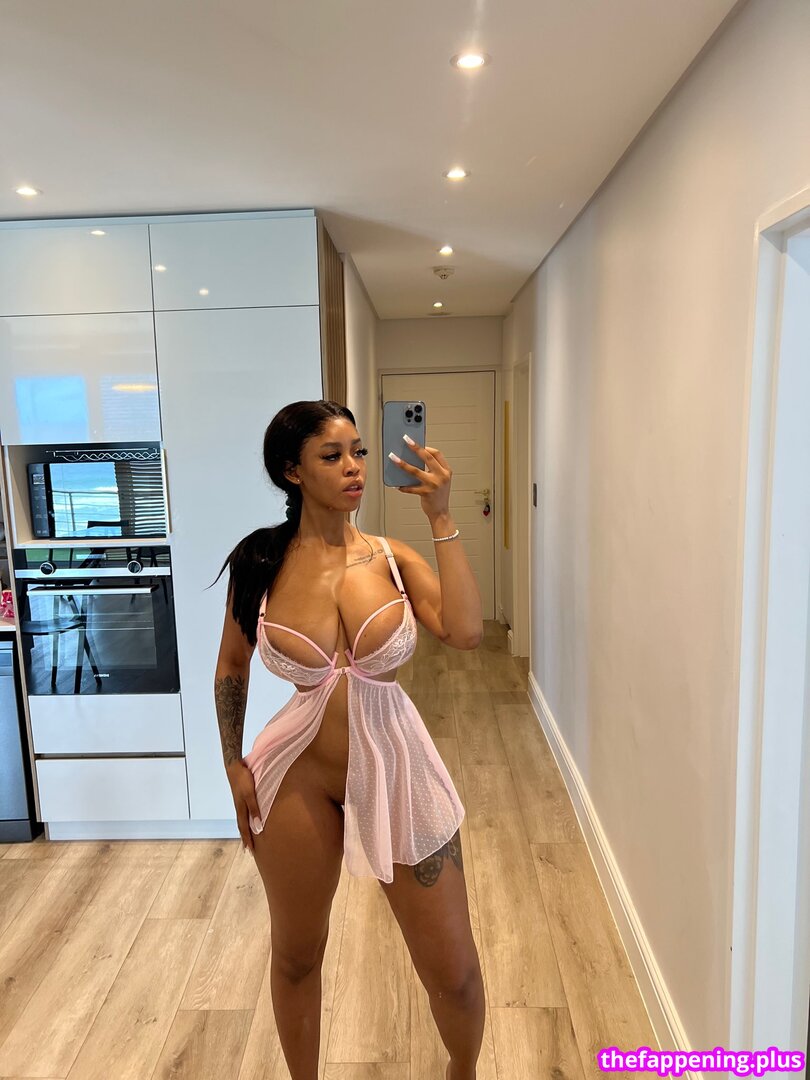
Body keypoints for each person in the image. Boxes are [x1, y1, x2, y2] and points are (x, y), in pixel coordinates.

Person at [213, 400, 485, 1080]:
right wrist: (233, 763)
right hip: (295, 776)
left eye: (359, 451)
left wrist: (442, 518)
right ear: (292, 471)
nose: (354, 467)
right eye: (332, 456)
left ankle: (463, 1071)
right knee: (296, 956)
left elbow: (465, 631)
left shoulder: (392, 559)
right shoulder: (260, 562)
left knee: (454, 974)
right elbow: (232, 665)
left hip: (396, 764)